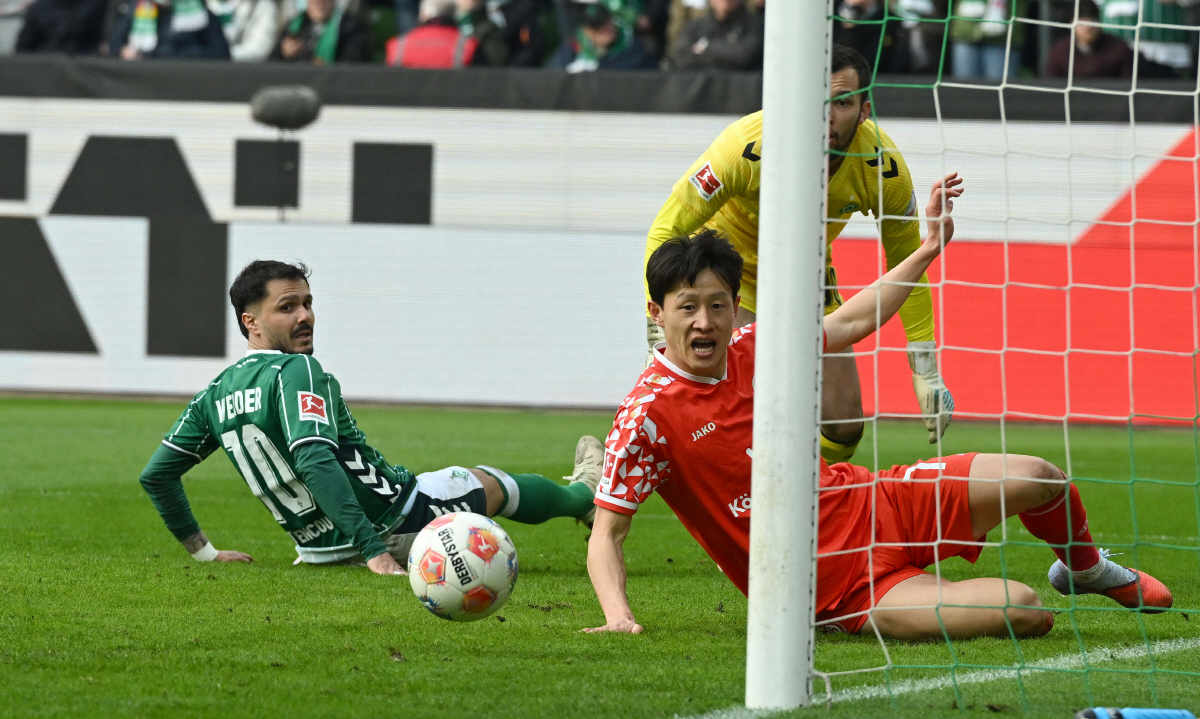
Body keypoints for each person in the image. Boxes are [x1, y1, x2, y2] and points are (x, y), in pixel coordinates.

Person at [585, 178, 1174, 639]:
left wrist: (926, 250)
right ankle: (923, 597)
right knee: (1022, 610)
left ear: (736, 305)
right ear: (657, 313)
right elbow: (607, 533)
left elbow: (851, 320)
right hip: (837, 588)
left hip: (875, 501)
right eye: (687, 307)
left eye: (717, 305)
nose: (704, 321)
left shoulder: (753, 345)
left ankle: (1088, 568)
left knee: (1041, 478)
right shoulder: (646, 416)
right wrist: (618, 615)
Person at [138, 261, 602, 572]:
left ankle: (583, 495)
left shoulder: (213, 395)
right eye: (287, 308)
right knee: (492, 483)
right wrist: (375, 551)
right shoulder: (295, 369)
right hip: (399, 522)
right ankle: (585, 493)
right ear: (250, 322)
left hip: (316, 553)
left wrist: (205, 554)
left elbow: (156, 476)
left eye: (307, 303)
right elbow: (315, 460)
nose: (305, 316)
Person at [643, 44, 953, 465]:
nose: (825, 114)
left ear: (864, 111)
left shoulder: (883, 169)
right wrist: (658, 327)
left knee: (844, 425)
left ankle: (816, 514)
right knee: (732, 412)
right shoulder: (746, 146)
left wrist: (924, 365)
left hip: (808, 276)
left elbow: (906, 261)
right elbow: (666, 230)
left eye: (841, 103)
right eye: (816, 99)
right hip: (725, 281)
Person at [547, 4, 656, 72]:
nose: (605, 29)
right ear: (587, 31)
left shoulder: (633, 47)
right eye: (598, 27)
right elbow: (552, 75)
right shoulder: (573, 49)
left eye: (606, 22)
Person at [108, 0, 230, 59]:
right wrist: (124, 51)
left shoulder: (199, 13)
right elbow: (115, 43)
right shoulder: (140, 8)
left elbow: (221, 52)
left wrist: (179, 54)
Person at [1046, 0, 1134, 79]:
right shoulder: (1060, 52)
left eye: (1093, 20)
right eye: (1082, 21)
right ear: (1072, 22)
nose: (1088, 26)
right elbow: (1051, 86)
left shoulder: (1118, 50)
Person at [669, 0, 762, 71]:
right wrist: (724, 55)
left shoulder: (753, 25)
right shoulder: (696, 26)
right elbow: (681, 59)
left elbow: (743, 57)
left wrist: (706, 48)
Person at [270, 0, 369, 64]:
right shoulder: (295, 25)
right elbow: (272, 60)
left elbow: (353, 62)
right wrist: (284, 53)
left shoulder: (350, 27)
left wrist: (318, 62)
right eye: (315, 1)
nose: (319, 4)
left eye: (324, 1)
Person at [15, 0, 107, 54]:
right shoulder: (39, 9)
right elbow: (23, 50)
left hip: (87, 68)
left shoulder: (101, 5)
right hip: (46, 69)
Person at [206, 0, 279, 61]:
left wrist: (223, 54)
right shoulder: (207, 4)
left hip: (245, 71)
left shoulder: (264, 6)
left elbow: (259, 50)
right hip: (206, 67)